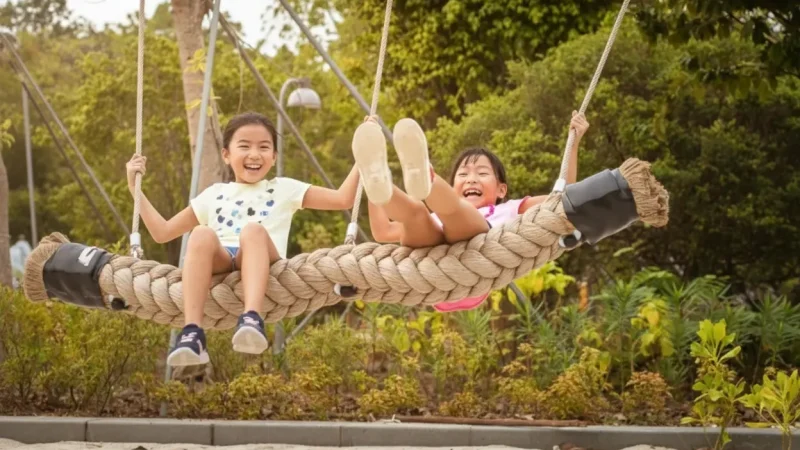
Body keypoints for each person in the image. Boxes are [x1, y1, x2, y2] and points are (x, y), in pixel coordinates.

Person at [126, 112, 362, 367]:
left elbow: (342, 199)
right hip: (222, 259)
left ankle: (251, 318)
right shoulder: (214, 194)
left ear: (274, 157)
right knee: (202, 233)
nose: (254, 154)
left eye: (264, 147)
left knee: (252, 230)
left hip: (262, 255)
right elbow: (162, 232)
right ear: (226, 155)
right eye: (244, 146)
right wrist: (134, 188)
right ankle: (192, 333)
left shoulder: (284, 188)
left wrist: (364, 156)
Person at [353, 112, 589, 312]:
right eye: (463, 175)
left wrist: (575, 141)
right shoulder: (436, 217)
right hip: (432, 274)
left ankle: (426, 178)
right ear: (453, 185)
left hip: (474, 272)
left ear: (501, 189)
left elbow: (561, 199)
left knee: (456, 211)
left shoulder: (509, 209)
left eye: (482, 174)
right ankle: (382, 180)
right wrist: (368, 177)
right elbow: (382, 231)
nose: (471, 179)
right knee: (415, 213)